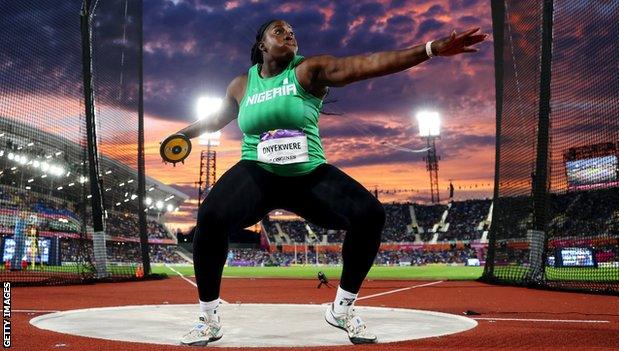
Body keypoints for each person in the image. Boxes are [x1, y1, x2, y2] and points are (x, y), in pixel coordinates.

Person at [172, 19, 487, 346]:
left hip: (307, 175)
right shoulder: (241, 84)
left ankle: (342, 308)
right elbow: (217, 118)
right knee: (210, 217)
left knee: (370, 215)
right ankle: (209, 319)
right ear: (262, 45)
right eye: (279, 31)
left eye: (292, 30)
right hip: (258, 172)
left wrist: (429, 49)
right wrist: (183, 135)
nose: (289, 33)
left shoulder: (308, 71)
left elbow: (365, 65)